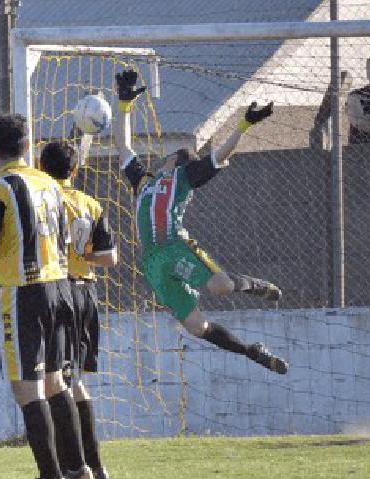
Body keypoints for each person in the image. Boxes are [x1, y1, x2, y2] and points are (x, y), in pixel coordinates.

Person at [113, 70, 289, 375]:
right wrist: (124, 103)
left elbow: (219, 154)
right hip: (153, 264)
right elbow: (122, 145)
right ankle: (252, 352)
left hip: (174, 248)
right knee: (197, 326)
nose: (160, 160)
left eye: (166, 157)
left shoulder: (181, 178)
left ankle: (253, 286)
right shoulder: (143, 182)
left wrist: (243, 126)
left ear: (173, 162)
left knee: (220, 287)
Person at [0, 114, 95, 479]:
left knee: (26, 387)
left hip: (22, 292)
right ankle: (78, 470)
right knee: (57, 382)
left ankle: (50, 478)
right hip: (60, 286)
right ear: (28, 146)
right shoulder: (50, 184)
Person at [39, 141, 117, 479]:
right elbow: (110, 258)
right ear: (74, 171)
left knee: (58, 381)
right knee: (76, 382)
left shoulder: (44, 201)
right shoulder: (90, 204)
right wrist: (83, 259)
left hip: (59, 291)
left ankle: (77, 466)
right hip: (87, 293)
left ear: (41, 169)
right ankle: (95, 466)